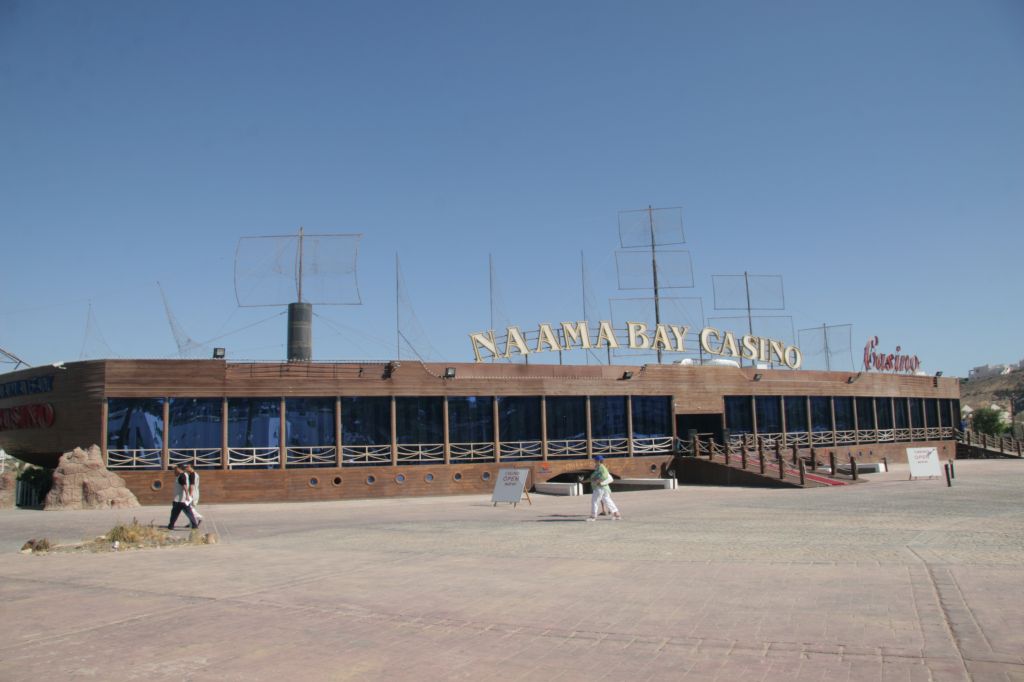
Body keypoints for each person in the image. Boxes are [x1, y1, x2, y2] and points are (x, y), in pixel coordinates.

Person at [587, 455, 621, 521]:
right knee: (607, 500)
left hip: (600, 488)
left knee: (595, 501)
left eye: (595, 460)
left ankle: (593, 516)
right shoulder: (599, 468)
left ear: (599, 461)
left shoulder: (601, 467)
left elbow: (604, 476)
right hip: (604, 488)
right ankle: (616, 514)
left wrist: (598, 481)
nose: (594, 461)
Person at [167, 463, 200, 530]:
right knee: (187, 513)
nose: (175, 470)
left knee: (174, 514)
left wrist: (187, 495)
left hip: (180, 499)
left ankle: (171, 526)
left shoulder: (182, 476)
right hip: (182, 500)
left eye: (176, 469)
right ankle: (194, 525)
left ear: (179, 469)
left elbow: (185, 486)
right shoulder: (185, 475)